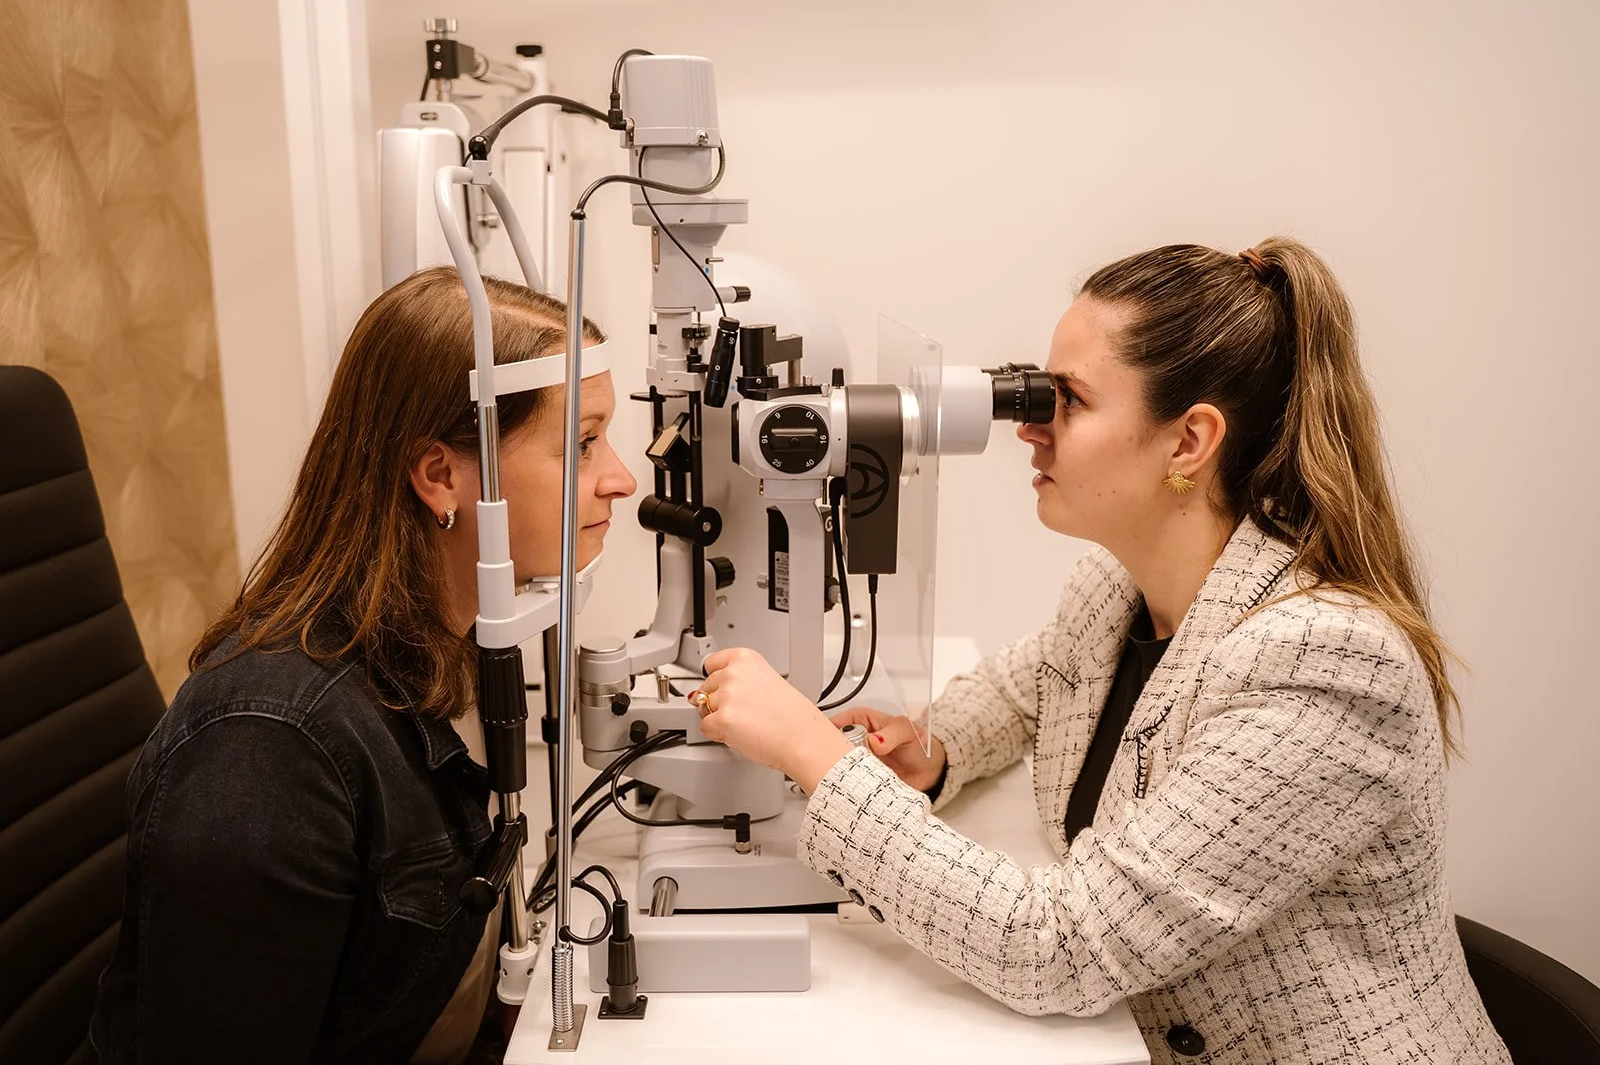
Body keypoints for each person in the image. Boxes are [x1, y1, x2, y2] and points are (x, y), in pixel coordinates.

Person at [692, 239, 1512, 1063]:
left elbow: (1061, 949)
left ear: (1189, 441)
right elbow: (1025, 693)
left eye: (1069, 401)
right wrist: (935, 755)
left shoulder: (1323, 663)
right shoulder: (1116, 589)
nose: (1029, 428)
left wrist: (813, 756)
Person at [88, 267, 637, 1063]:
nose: (619, 477)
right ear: (441, 475)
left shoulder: (452, 645)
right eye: (583, 444)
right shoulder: (274, 748)